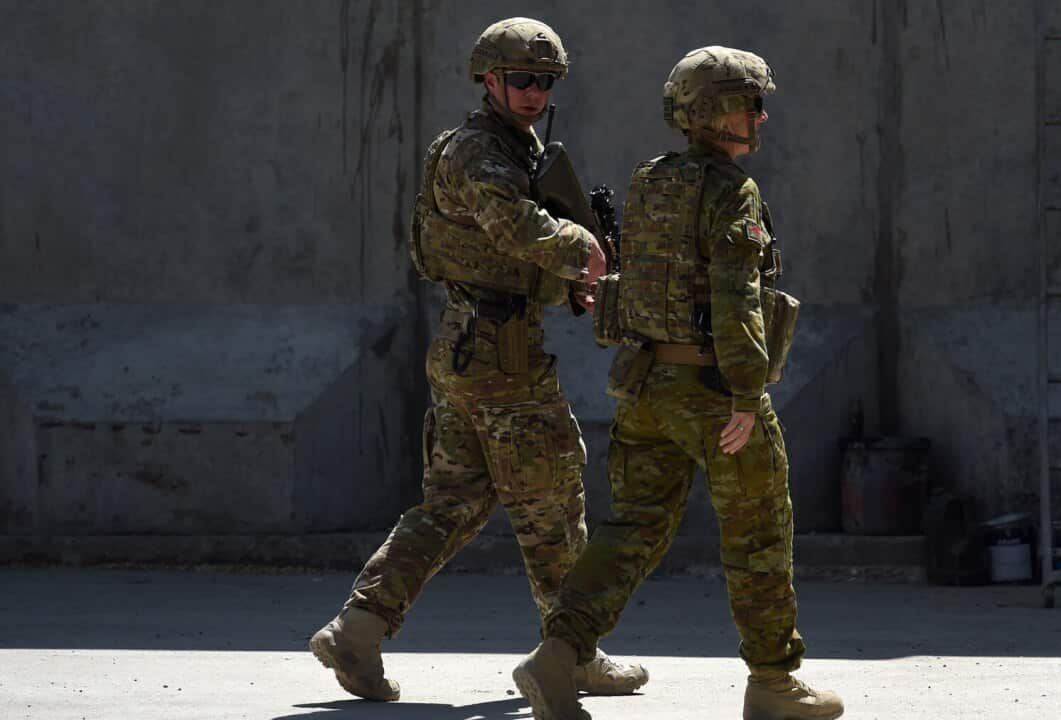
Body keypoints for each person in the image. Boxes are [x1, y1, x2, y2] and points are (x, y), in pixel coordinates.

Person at [308, 17, 648, 702]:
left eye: (545, 81)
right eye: (521, 78)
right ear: (488, 79)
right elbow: (514, 227)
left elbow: (501, 252)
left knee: (452, 504)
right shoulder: (479, 153)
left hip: (473, 349)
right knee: (552, 502)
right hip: (501, 360)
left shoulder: (509, 148)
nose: (533, 91)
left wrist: (565, 281)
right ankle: (573, 653)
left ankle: (360, 628)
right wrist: (583, 247)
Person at [512, 46, 843, 720]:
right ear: (716, 111)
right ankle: (775, 684)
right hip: (711, 390)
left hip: (646, 385)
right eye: (750, 102)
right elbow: (736, 300)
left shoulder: (652, 178)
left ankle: (557, 657)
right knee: (758, 532)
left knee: (630, 528)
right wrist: (748, 396)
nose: (761, 115)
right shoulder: (731, 193)